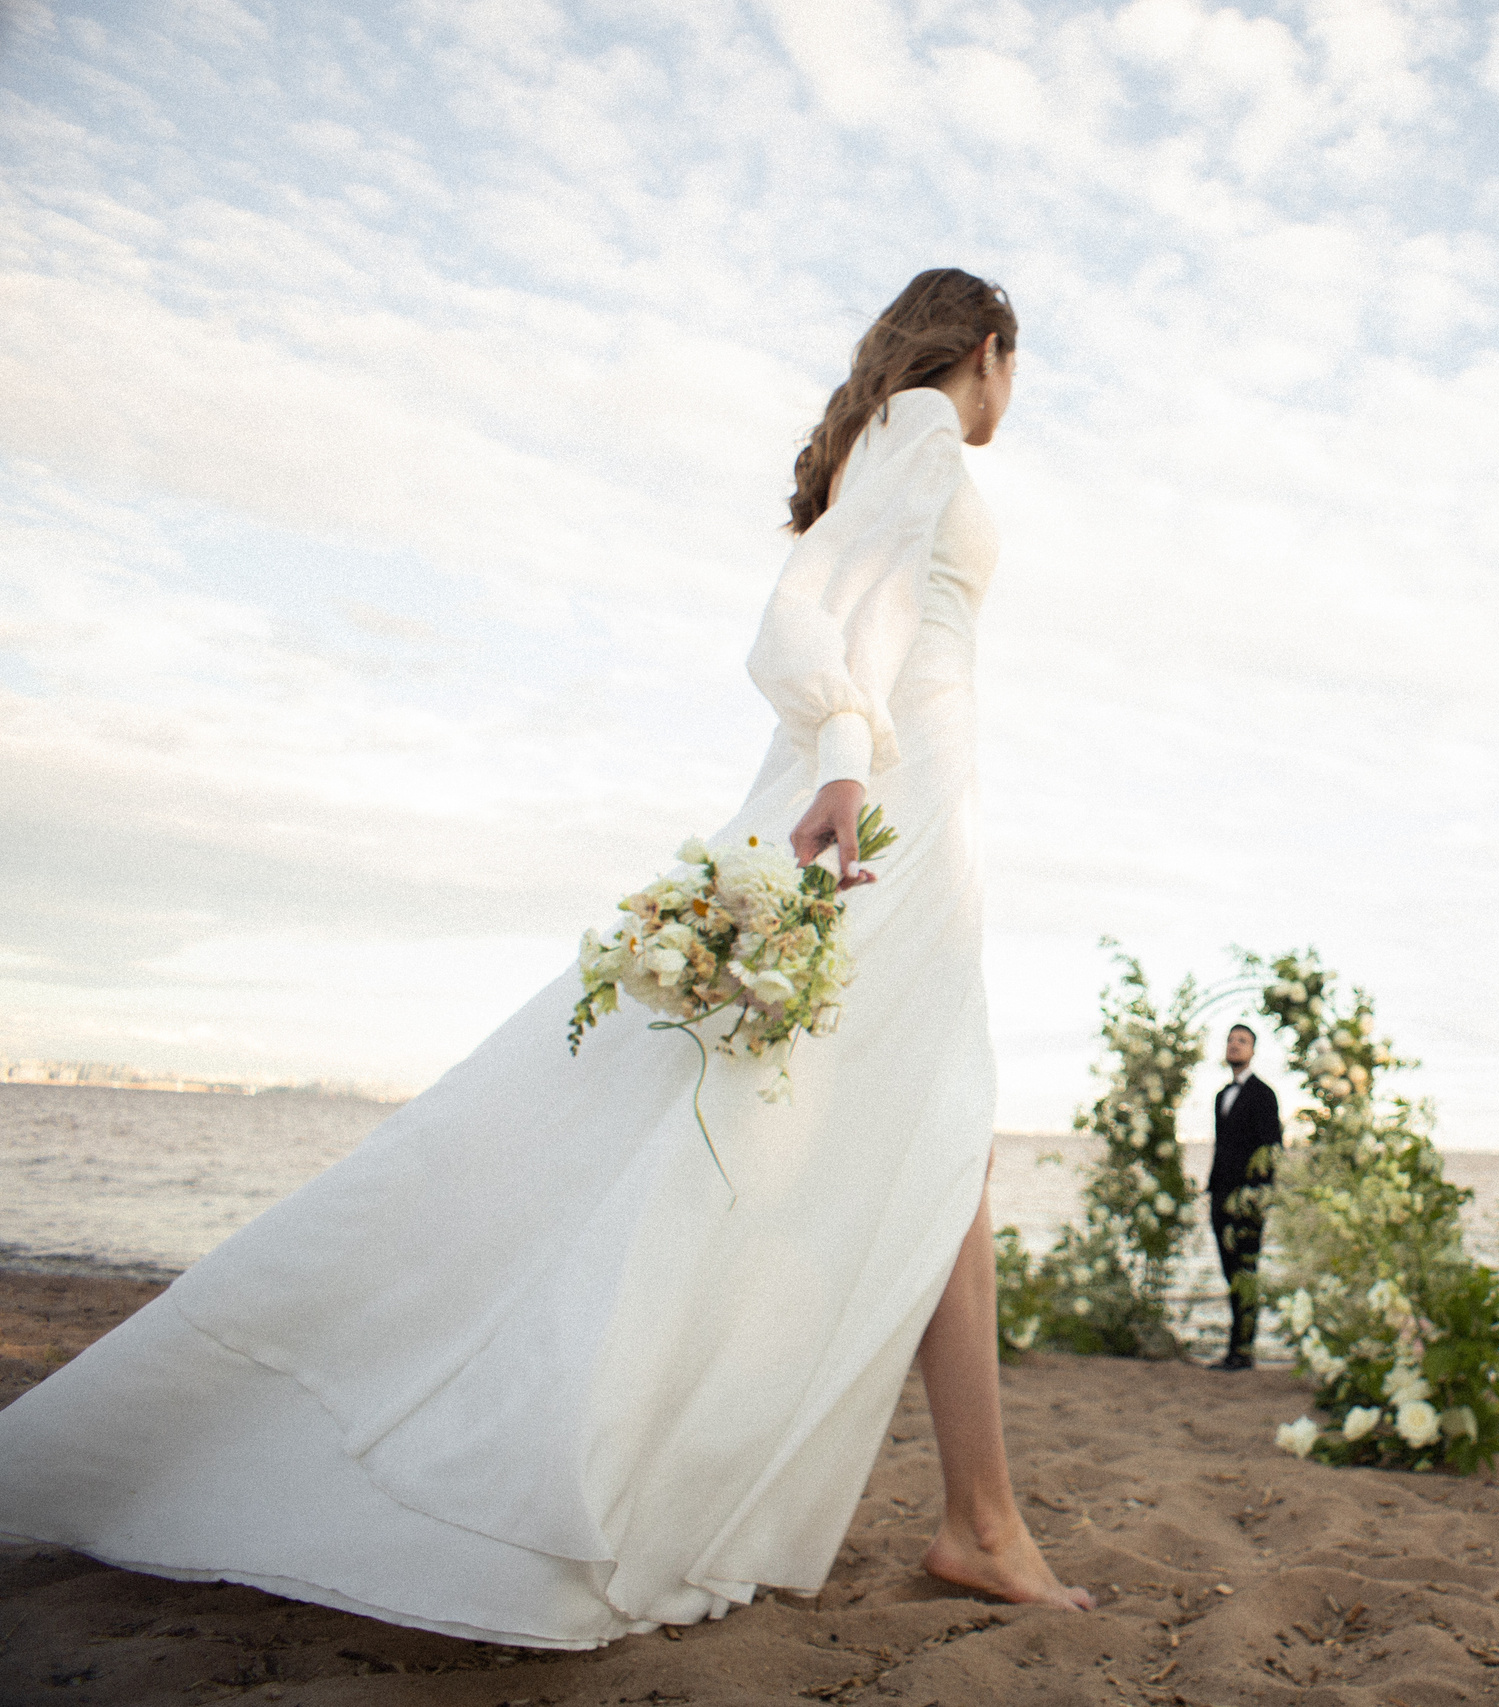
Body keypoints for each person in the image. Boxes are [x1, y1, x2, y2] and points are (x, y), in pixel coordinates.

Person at [0, 268, 1092, 1645]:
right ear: (988, 350)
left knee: (933, 1143)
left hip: (904, 801)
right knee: (833, 1127)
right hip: (892, 815)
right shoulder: (926, 429)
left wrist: (844, 758)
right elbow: (808, 615)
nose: (1006, 396)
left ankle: (978, 1514)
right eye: (1012, 371)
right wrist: (841, 758)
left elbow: (863, 612)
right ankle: (972, 1517)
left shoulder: (884, 436)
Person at [1206, 1023, 1284, 1371]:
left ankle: (1243, 1350)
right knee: (1229, 1270)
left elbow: (1271, 1148)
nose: (1234, 1045)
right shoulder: (1222, 1095)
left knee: (1245, 1270)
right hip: (1220, 1194)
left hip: (1248, 1198)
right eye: (1230, 1040)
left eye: (1242, 1041)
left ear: (1253, 1051)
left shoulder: (1263, 1094)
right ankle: (1235, 1348)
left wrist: (1257, 1194)